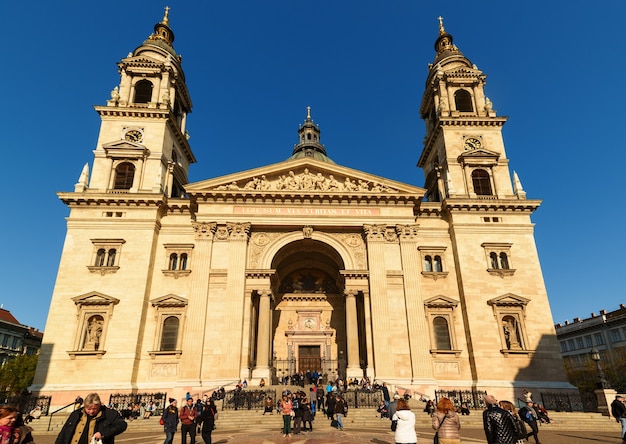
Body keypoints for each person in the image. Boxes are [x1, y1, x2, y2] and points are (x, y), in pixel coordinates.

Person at [55, 392, 127, 444]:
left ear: (99, 405)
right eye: (88, 409)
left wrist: (103, 433)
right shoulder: (76, 414)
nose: (91, 411)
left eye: (94, 409)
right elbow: (63, 433)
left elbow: (122, 425)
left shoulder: (109, 414)